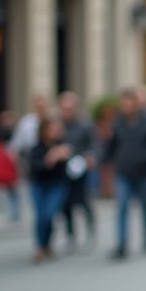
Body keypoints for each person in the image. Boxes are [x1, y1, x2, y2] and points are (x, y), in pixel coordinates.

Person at [104, 88, 146, 260]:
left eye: (130, 104)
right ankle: (122, 244)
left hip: (143, 172)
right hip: (123, 172)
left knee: (145, 206)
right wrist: (100, 160)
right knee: (122, 206)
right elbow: (110, 147)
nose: (127, 107)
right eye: (124, 104)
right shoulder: (118, 124)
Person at [27, 118, 73, 262]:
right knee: (41, 216)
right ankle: (41, 246)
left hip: (56, 185)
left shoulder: (62, 145)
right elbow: (34, 168)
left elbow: (69, 169)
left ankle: (47, 244)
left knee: (49, 214)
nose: (56, 131)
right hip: (39, 185)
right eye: (52, 128)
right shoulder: (37, 148)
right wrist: (50, 159)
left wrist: (66, 157)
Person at [58, 92, 97, 249]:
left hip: (81, 169)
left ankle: (90, 232)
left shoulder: (85, 125)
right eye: (64, 108)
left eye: (70, 108)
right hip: (63, 171)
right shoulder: (58, 125)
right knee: (66, 205)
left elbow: (94, 145)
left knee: (84, 202)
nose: (67, 112)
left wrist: (90, 156)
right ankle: (71, 237)